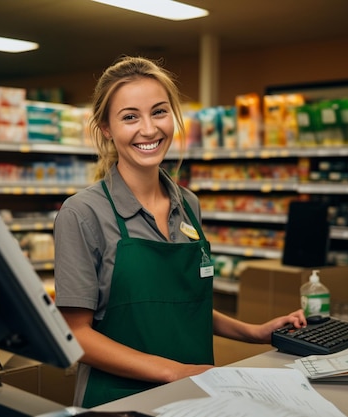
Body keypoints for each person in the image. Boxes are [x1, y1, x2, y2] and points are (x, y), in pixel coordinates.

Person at [53, 56, 306, 408]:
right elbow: (75, 335)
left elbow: (181, 305)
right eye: (130, 116)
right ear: (106, 128)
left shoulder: (188, 204)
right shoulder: (83, 213)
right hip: (118, 402)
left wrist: (254, 332)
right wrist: (174, 372)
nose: (149, 129)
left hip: (196, 396)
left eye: (159, 112)